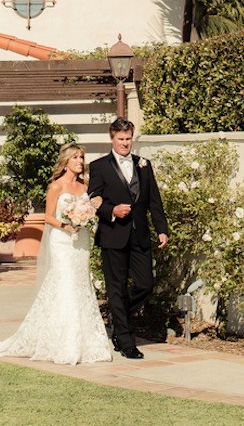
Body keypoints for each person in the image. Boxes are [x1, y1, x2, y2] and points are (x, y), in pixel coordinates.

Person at [0, 144, 112, 364]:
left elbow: (91, 208)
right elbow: (48, 217)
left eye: (82, 158)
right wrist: (66, 225)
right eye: (75, 158)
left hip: (81, 241)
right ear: (65, 161)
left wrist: (86, 216)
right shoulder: (55, 186)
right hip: (62, 241)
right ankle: (65, 343)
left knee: (81, 285)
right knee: (65, 285)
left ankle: (87, 342)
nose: (80, 162)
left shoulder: (85, 185)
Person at [88, 118, 169, 360]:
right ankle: (125, 340)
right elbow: (93, 198)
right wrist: (111, 211)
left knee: (146, 284)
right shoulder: (99, 166)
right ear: (112, 138)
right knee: (116, 288)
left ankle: (118, 316)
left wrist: (161, 229)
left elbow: (154, 200)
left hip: (140, 234)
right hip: (113, 235)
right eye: (121, 139)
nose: (125, 143)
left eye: (128, 138)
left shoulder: (144, 165)